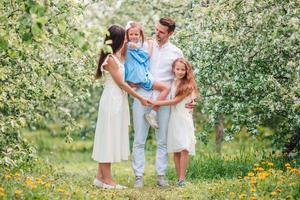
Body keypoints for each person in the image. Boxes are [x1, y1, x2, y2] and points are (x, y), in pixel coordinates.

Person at [91, 25, 150, 189]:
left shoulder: (117, 56)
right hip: (112, 100)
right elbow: (121, 84)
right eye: (124, 37)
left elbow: (124, 80)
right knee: (108, 138)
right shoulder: (110, 59)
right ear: (116, 40)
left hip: (118, 99)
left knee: (110, 136)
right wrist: (139, 97)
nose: (126, 40)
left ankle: (99, 177)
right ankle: (108, 181)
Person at [132, 17, 187, 188]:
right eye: (156, 29)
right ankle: (138, 176)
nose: (157, 34)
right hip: (142, 94)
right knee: (139, 139)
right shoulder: (145, 45)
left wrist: (189, 100)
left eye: (162, 32)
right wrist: (131, 80)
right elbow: (132, 63)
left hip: (164, 100)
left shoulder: (176, 52)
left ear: (170, 33)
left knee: (162, 140)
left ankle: (161, 175)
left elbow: (184, 77)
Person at [150, 58, 198, 187]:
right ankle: (179, 179)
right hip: (174, 118)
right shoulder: (173, 82)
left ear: (187, 71)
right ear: (173, 70)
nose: (180, 72)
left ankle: (182, 178)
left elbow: (175, 101)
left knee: (184, 147)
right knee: (176, 149)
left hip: (183, 118)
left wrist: (156, 103)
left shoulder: (188, 85)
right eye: (178, 69)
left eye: (183, 69)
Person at [123, 21, 170, 129]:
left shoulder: (129, 45)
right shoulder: (131, 45)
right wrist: (150, 44)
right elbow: (146, 55)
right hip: (140, 76)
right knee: (165, 88)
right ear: (127, 35)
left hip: (136, 76)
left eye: (136, 34)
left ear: (140, 35)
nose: (134, 36)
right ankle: (152, 113)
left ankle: (151, 112)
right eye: (131, 34)